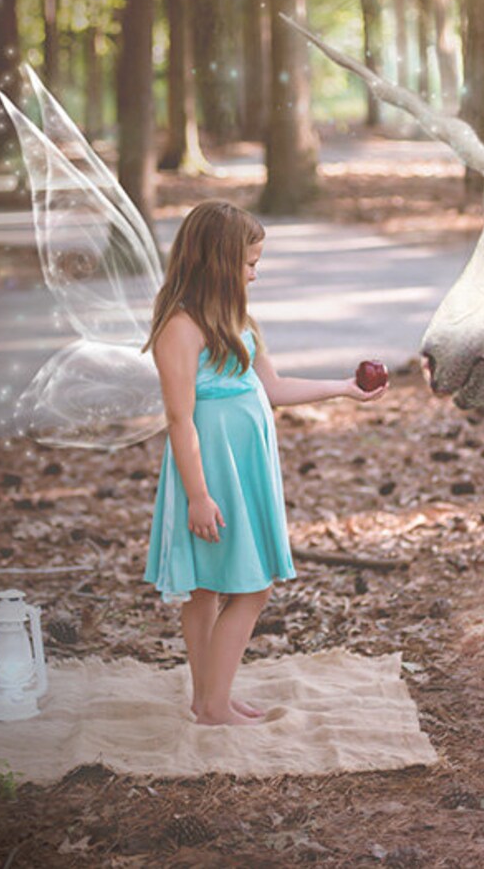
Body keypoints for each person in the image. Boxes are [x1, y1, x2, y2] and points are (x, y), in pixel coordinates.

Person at [142, 201, 386, 726]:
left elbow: (271, 387)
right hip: (210, 470)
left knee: (216, 584)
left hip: (245, 464)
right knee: (242, 586)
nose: (256, 272)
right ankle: (211, 702)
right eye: (248, 262)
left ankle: (212, 696)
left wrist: (342, 389)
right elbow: (180, 420)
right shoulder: (180, 328)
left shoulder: (237, 320)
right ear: (216, 261)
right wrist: (199, 495)